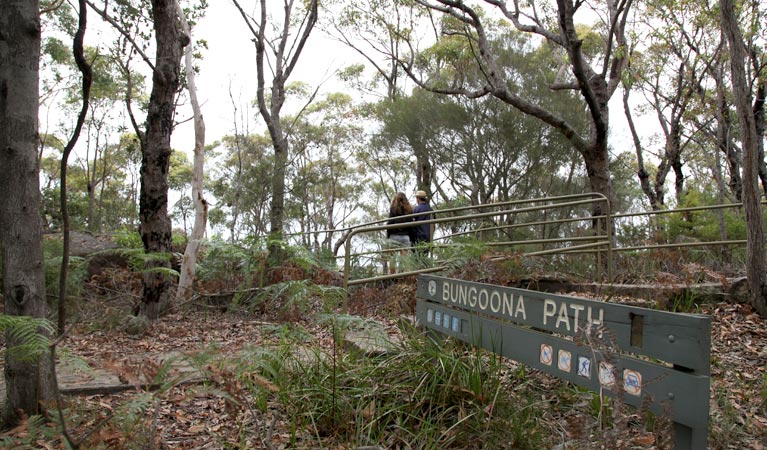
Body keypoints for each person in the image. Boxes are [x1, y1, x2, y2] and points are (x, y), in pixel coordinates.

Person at [385, 192, 414, 274]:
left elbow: (390, 223)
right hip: (405, 236)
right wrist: (411, 237)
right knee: (405, 260)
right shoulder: (409, 210)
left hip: (394, 236)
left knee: (392, 259)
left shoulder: (393, 209)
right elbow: (411, 225)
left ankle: (392, 277)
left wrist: (388, 236)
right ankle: (405, 277)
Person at [412, 190, 434, 262]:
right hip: (428, 237)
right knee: (425, 257)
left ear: (418, 198)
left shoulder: (416, 209)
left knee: (417, 258)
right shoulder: (431, 209)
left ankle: (418, 272)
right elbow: (434, 224)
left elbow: (413, 222)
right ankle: (425, 270)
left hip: (418, 237)